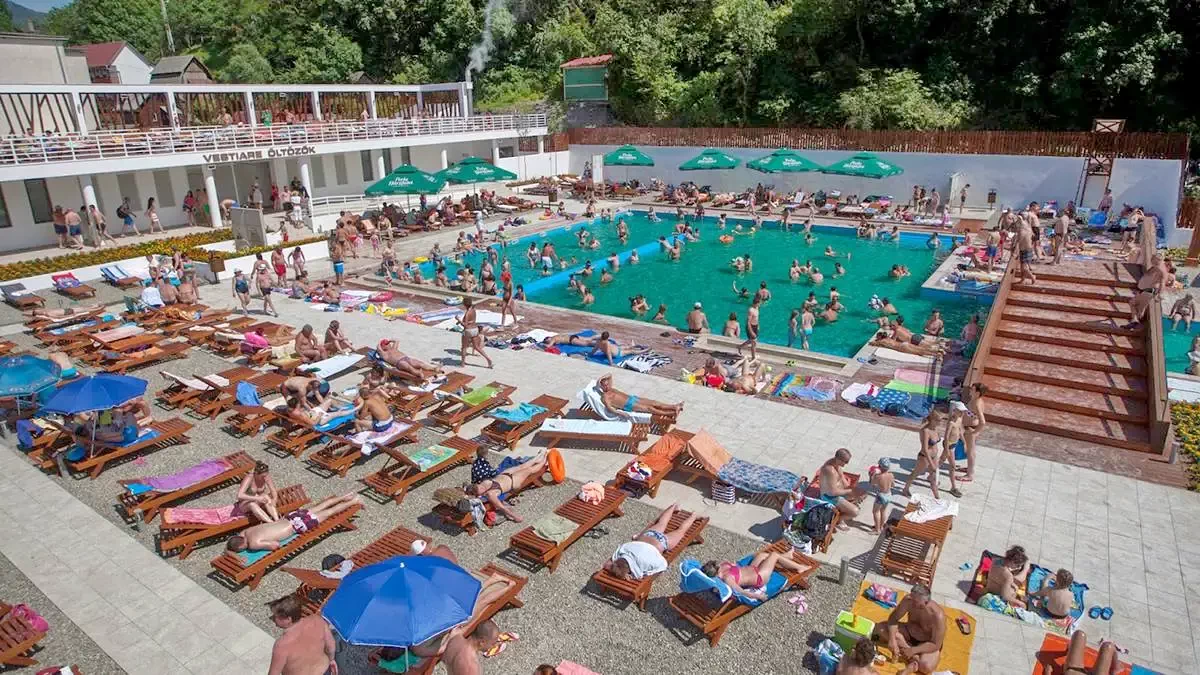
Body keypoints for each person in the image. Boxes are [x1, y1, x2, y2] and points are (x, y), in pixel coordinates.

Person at [227, 493, 362, 552]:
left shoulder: (253, 544)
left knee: (329, 512)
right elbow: (234, 542)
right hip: (291, 517)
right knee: (322, 505)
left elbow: (275, 545)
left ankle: (354, 501)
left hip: (297, 525)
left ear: (242, 546)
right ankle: (346, 496)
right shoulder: (245, 532)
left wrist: (256, 547)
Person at [603, 503, 702, 581]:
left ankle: (693, 516)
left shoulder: (644, 564)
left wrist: (633, 575)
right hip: (647, 535)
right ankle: (674, 506)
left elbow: (663, 565)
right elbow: (607, 564)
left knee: (681, 531)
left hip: (661, 543)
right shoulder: (622, 552)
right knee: (662, 522)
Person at [871, 583, 944, 675]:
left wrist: (913, 650)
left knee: (926, 667)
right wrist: (892, 640)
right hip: (909, 633)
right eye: (911, 598)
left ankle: (909, 659)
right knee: (880, 628)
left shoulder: (937, 616)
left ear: (925, 603)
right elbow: (893, 619)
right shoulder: (908, 600)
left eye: (915, 602)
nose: (912, 603)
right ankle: (913, 660)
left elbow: (936, 644)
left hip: (926, 643)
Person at [467, 450, 550, 523]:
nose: (482, 487)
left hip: (505, 474)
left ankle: (540, 456)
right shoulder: (490, 494)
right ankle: (545, 460)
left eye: (480, 486)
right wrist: (515, 517)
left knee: (524, 466)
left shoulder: (483, 485)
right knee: (529, 470)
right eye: (480, 489)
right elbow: (502, 507)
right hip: (513, 481)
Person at [700, 549, 814, 601]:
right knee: (774, 555)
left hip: (753, 568)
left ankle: (786, 556)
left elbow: (733, 564)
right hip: (760, 577)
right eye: (717, 565)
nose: (719, 564)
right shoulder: (727, 579)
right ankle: (799, 568)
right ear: (716, 572)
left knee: (762, 555)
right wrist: (759, 596)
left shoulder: (723, 566)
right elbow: (742, 592)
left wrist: (730, 565)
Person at [267, 595, 337, 675]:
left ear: (288, 619)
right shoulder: (317, 620)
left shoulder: (282, 645)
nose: (272, 618)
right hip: (324, 670)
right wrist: (331, 660)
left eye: (275, 616)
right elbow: (331, 646)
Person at [818, 448, 865, 530]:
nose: (846, 464)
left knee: (862, 494)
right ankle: (839, 520)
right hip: (829, 496)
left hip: (838, 492)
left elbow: (843, 480)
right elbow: (832, 492)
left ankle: (845, 507)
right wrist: (850, 491)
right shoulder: (830, 470)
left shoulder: (836, 464)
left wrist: (854, 492)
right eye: (845, 462)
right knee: (855, 512)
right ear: (838, 459)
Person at [596, 374, 683, 416]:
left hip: (632, 398)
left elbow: (610, 375)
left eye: (608, 384)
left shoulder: (610, 388)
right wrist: (621, 413)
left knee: (654, 402)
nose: (607, 386)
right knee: (650, 408)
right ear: (601, 386)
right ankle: (671, 413)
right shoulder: (605, 397)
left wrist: (600, 378)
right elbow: (610, 408)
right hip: (629, 405)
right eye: (605, 385)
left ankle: (674, 406)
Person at [1125, 252, 1166, 329]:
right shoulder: (1155, 267)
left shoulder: (1160, 270)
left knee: (1133, 304)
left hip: (1149, 291)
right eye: (1152, 259)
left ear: (1158, 260)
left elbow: (1162, 283)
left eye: (1153, 259)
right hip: (1145, 290)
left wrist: (1159, 294)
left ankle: (1135, 322)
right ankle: (1135, 323)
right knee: (1139, 308)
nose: (1151, 260)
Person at [960, 382, 987, 482]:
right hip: (969, 428)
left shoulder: (977, 403)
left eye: (972, 389)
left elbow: (983, 422)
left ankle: (969, 475)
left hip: (971, 429)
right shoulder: (975, 400)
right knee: (970, 450)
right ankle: (969, 468)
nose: (970, 390)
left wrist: (975, 432)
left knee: (970, 451)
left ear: (977, 392)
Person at [457, 297, 493, 369]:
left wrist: (458, 319)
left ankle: (462, 364)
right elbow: (472, 321)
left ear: (464, 304)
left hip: (468, 330)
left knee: (464, 347)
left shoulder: (467, 313)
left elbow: (465, 325)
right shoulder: (473, 310)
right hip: (475, 329)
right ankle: (488, 359)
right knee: (477, 347)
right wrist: (464, 321)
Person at [868, 458, 895, 535]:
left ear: (880, 467)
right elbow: (893, 485)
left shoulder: (878, 476)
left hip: (881, 496)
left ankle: (877, 530)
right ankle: (881, 526)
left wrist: (871, 475)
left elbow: (872, 483)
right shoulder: (891, 475)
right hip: (889, 495)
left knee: (875, 512)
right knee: (883, 511)